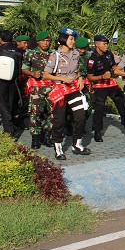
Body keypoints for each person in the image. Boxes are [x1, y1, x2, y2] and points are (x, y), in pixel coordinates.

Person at [43, 28, 91, 160]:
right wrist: (63, 79)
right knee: (59, 120)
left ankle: (77, 144)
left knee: (81, 116)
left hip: (74, 89)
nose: (73, 41)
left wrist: (80, 78)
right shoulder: (55, 55)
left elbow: (77, 70)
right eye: (71, 39)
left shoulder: (76, 53)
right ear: (63, 40)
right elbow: (46, 74)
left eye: (73, 39)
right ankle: (58, 147)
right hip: (60, 90)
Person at [86, 34, 125, 143]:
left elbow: (113, 66)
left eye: (106, 43)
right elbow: (90, 77)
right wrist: (101, 76)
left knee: (122, 103)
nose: (106, 45)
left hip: (111, 84)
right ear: (96, 44)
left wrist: (117, 69)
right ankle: (97, 132)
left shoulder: (109, 54)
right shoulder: (92, 59)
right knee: (99, 109)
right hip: (99, 85)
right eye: (104, 43)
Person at [21, 31, 54, 149]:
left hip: (51, 87)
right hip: (36, 86)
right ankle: (35, 137)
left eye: (48, 41)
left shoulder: (54, 54)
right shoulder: (31, 54)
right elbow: (24, 69)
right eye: (43, 41)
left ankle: (47, 134)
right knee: (35, 112)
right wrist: (31, 73)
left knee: (54, 112)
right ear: (38, 42)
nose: (46, 43)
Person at [0, 30, 24, 136]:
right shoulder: (18, 51)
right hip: (14, 80)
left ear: (1, 39)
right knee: (11, 103)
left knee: (3, 104)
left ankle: (8, 129)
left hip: (0, 81)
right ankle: (12, 123)